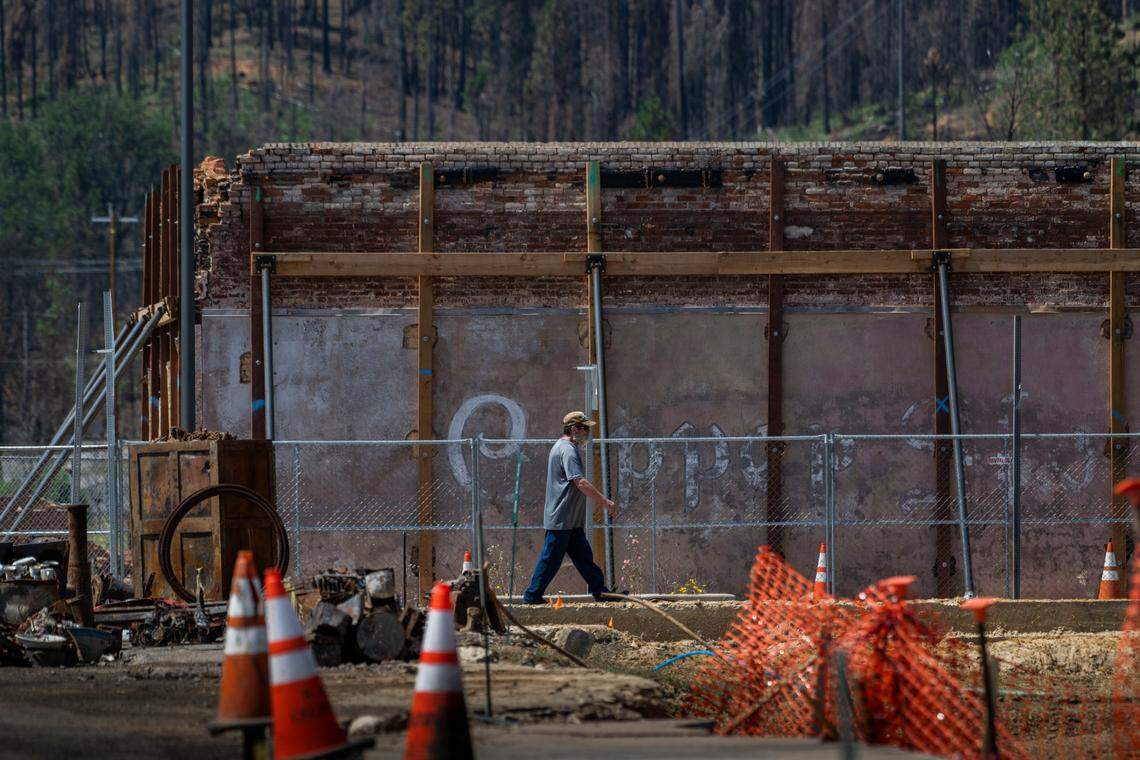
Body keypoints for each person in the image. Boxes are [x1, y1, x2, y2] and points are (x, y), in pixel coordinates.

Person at [522, 411, 618, 604]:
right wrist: (604, 502)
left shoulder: (566, 447)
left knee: (584, 559)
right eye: (584, 428)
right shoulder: (567, 449)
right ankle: (532, 596)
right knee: (550, 560)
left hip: (570, 520)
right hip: (561, 518)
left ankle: (600, 592)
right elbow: (580, 482)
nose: (587, 432)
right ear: (574, 429)